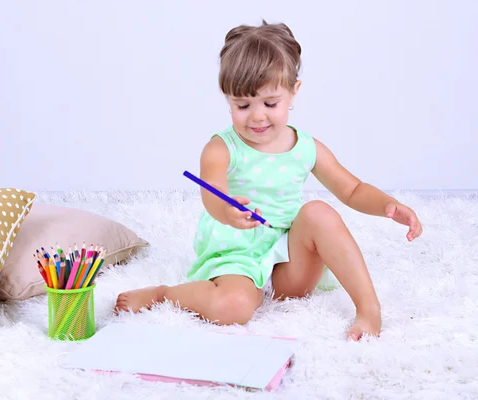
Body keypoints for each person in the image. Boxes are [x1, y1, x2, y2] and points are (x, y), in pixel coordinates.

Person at [114, 20, 423, 341]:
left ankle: (369, 309)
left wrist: (388, 204)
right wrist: (226, 211)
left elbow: (353, 189)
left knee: (318, 212)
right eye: (243, 105)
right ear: (227, 98)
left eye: (270, 103)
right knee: (233, 306)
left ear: (293, 93)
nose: (258, 116)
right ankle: (164, 294)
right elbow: (213, 190)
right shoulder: (221, 148)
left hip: (288, 259)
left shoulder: (306, 147)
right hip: (238, 255)